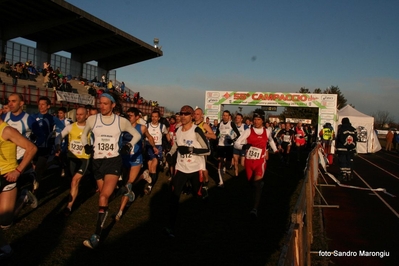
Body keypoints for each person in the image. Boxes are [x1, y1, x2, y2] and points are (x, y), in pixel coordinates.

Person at [80, 93, 141, 249]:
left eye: (106, 104)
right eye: (101, 103)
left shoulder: (121, 121)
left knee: (103, 197)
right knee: (106, 196)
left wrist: (128, 146)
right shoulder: (93, 119)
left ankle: (96, 236)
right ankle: (124, 189)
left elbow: (136, 135)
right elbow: (84, 134)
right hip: (97, 161)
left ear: (113, 105)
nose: (102, 106)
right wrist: (86, 144)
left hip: (113, 161)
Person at [164, 105, 210, 237]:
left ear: (191, 116)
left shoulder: (196, 130)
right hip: (181, 168)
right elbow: (175, 147)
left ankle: (200, 223)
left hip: (195, 169)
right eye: (181, 114)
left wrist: (191, 150)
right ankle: (170, 227)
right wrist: (169, 154)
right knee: (174, 196)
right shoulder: (178, 130)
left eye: (186, 114)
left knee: (197, 196)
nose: (183, 116)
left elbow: (207, 150)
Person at [0, 113, 37, 259]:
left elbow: (32, 148)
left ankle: (23, 198)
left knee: (5, 221)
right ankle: (5, 248)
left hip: (7, 177)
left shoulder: (6, 130)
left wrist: (17, 171)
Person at [234, 109, 278, 219]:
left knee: (257, 184)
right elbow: (236, 143)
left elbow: (271, 140)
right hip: (249, 162)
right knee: (251, 184)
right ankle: (258, 187)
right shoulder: (248, 131)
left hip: (260, 162)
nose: (256, 122)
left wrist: (275, 150)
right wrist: (244, 147)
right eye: (255, 119)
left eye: (258, 119)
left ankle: (255, 209)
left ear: (262, 120)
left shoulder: (267, 131)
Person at [115, 107, 156, 221]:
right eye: (127, 115)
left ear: (137, 117)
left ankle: (120, 211)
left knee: (129, 184)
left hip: (136, 159)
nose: (128, 117)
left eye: (131, 115)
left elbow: (149, 137)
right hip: (124, 158)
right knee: (124, 184)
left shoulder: (142, 128)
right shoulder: (122, 127)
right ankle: (143, 176)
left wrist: (154, 147)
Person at [54, 107, 91, 216]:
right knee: (73, 180)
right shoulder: (70, 127)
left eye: (81, 114)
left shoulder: (90, 128)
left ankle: (69, 206)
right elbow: (59, 137)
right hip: (72, 158)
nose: (78, 116)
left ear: (86, 115)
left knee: (75, 181)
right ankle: (80, 187)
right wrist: (58, 145)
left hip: (84, 158)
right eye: (77, 114)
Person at [30, 96, 56, 193]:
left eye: (43, 104)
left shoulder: (52, 118)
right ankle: (34, 184)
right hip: (33, 147)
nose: (40, 106)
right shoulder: (32, 117)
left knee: (38, 170)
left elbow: (61, 129)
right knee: (34, 167)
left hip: (45, 147)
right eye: (39, 104)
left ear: (48, 106)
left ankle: (34, 190)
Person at [144, 110, 170, 194]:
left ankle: (150, 185)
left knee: (154, 164)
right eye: (152, 116)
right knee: (150, 166)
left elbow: (167, 133)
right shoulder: (146, 125)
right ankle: (150, 179)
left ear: (159, 118)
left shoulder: (162, 126)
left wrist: (169, 140)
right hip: (148, 147)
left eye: (156, 117)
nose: (154, 118)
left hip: (158, 147)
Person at [193, 108, 216, 197]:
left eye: (198, 114)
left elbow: (213, 136)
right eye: (195, 114)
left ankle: (206, 181)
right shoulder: (192, 124)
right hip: (194, 149)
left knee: (203, 169)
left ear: (202, 115)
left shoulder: (204, 125)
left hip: (202, 150)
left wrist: (203, 134)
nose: (196, 115)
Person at [215, 110, 240, 188]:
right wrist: (217, 139)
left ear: (229, 116)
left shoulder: (231, 123)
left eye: (226, 115)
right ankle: (221, 181)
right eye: (224, 115)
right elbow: (217, 134)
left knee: (229, 163)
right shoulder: (219, 124)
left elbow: (238, 134)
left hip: (229, 145)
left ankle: (226, 165)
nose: (225, 117)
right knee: (220, 161)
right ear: (222, 116)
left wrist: (232, 140)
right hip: (221, 145)